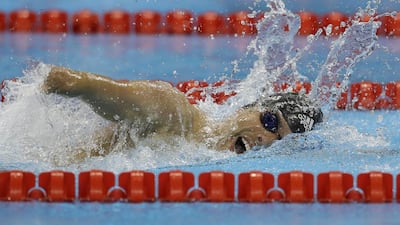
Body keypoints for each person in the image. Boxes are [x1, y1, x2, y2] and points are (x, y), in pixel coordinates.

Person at [43, 66, 323, 155]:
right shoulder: (173, 113)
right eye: (271, 121)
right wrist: (79, 85)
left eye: (279, 140)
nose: (267, 138)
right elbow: (76, 83)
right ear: (249, 108)